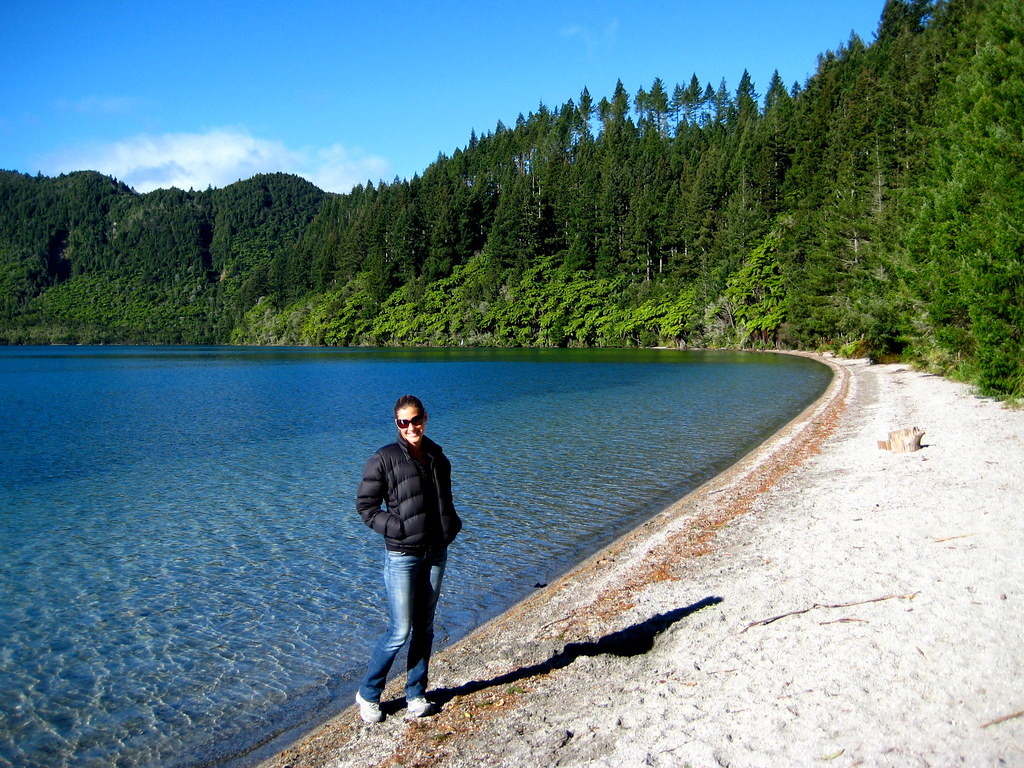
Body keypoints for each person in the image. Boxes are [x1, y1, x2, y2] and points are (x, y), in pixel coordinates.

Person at [354, 395, 462, 723]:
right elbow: (366, 507)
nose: (411, 427)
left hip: (435, 552)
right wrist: (397, 527)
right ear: (396, 424)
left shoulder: (437, 456)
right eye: (404, 422)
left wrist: (451, 526)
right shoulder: (383, 459)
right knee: (400, 630)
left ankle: (415, 693)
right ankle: (369, 694)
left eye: (416, 420)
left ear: (425, 418)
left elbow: (445, 499)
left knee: (425, 628)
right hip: (402, 555)